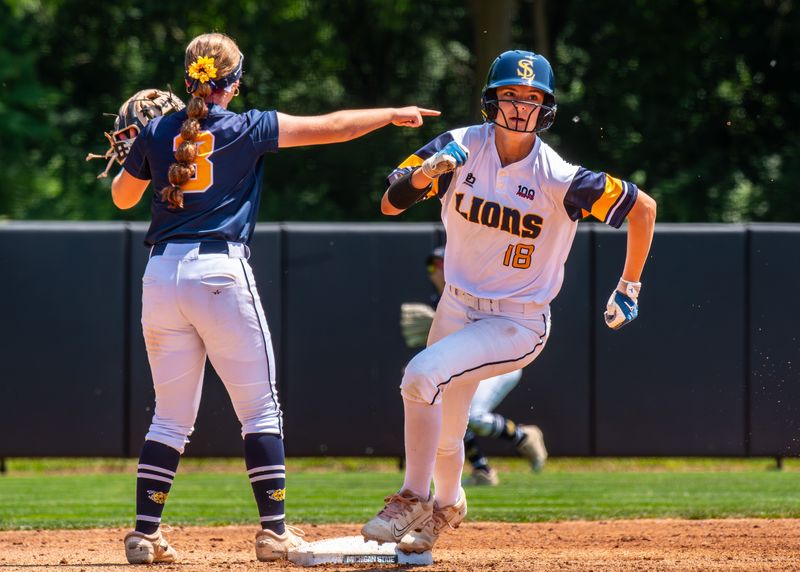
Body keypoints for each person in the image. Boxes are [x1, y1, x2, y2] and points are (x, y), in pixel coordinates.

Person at [108, 32, 439, 565]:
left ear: (188, 76)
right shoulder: (246, 125)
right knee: (260, 411)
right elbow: (330, 128)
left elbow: (123, 197)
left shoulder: (159, 130)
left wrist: (137, 149)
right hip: (219, 270)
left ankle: (145, 534)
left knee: (169, 418)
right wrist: (391, 114)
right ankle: (274, 532)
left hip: (161, 276)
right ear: (233, 83)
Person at [361, 49, 656, 554]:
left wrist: (629, 285)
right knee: (449, 431)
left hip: (515, 322)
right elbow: (390, 202)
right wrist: (427, 174)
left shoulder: (559, 176)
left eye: (532, 97)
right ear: (491, 99)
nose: (521, 105)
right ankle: (448, 506)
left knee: (419, 375)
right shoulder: (457, 146)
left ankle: (412, 497)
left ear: (547, 107)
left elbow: (642, 207)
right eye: (510, 95)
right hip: (456, 305)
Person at [400, 246, 548, 487]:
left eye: (440, 264)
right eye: (431, 266)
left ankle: (522, 436)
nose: (434, 271)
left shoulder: (479, 288)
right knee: (449, 409)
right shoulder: (441, 302)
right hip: (470, 360)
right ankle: (482, 469)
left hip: (501, 357)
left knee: (475, 417)